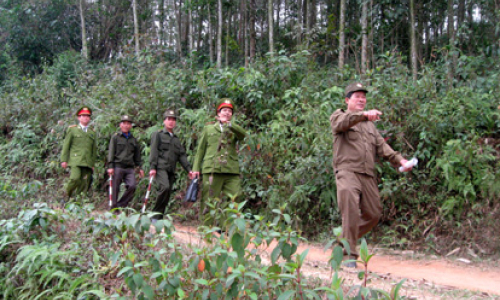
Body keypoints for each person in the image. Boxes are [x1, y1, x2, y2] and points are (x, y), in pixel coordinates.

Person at [330, 82, 413, 267]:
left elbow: (383, 148)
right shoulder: (339, 116)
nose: (361, 99)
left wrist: (401, 161)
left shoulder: (369, 126)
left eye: (363, 97)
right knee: (350, 210)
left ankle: (343, 240)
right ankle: (347, 255)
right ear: (347, 100)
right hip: (347, 172)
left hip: (367, 174)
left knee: (374, 214)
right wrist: (363, 115)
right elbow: (341, 124)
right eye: (357, 96)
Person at [191, 98, 247, 227]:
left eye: (229, 111)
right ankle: (206, 228)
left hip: (231, 170)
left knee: (234, 197)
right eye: (224, 110)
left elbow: (243, 136)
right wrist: (195, 168)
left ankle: (226, 228)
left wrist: (230, 125)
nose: (227, 113)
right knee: (208, 199)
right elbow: (200, 150)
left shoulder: (234, 129)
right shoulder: (208, 129)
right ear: (218, 113)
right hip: (212, 169)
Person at [149, 109, 193, 220]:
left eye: (173, 120)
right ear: (164, 121)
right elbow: (153, 151)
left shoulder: (176, 140)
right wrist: (152, 167)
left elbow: (182, 156)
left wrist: (189, 169)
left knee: (168, 192)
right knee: (164, 187)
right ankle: (154, 215)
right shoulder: (158, 135)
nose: (171, 122)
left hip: (171, 170)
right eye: (169, 119)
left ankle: (159, 216)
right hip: (160, 167)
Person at [107, 115, 144, 211]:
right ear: (120, 125)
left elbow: (137, 155)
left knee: (132, 186)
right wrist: (110, 166)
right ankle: (113, 208)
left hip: (129, 168)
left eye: (128, 123)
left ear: (131, 126)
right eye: (124, 123)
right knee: (115, 188)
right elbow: (111, 152)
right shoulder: (115, 137)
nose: (126, 125)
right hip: (118, 166)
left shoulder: (133, 139)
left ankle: (120, 205)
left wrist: (140, 167)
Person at [60, 106, 97, 203]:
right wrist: (64, 160)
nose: (85, 118)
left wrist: (92, 163)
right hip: (75, 160)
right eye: (83, 116)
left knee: (83, 182)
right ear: (79, 117)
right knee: (75, 178)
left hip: (87, 161)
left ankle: (76, 202)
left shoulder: (92, 132)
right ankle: (66, 195)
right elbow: (66, 146)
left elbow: (94, 149)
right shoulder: (72, 130)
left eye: (88, 116)